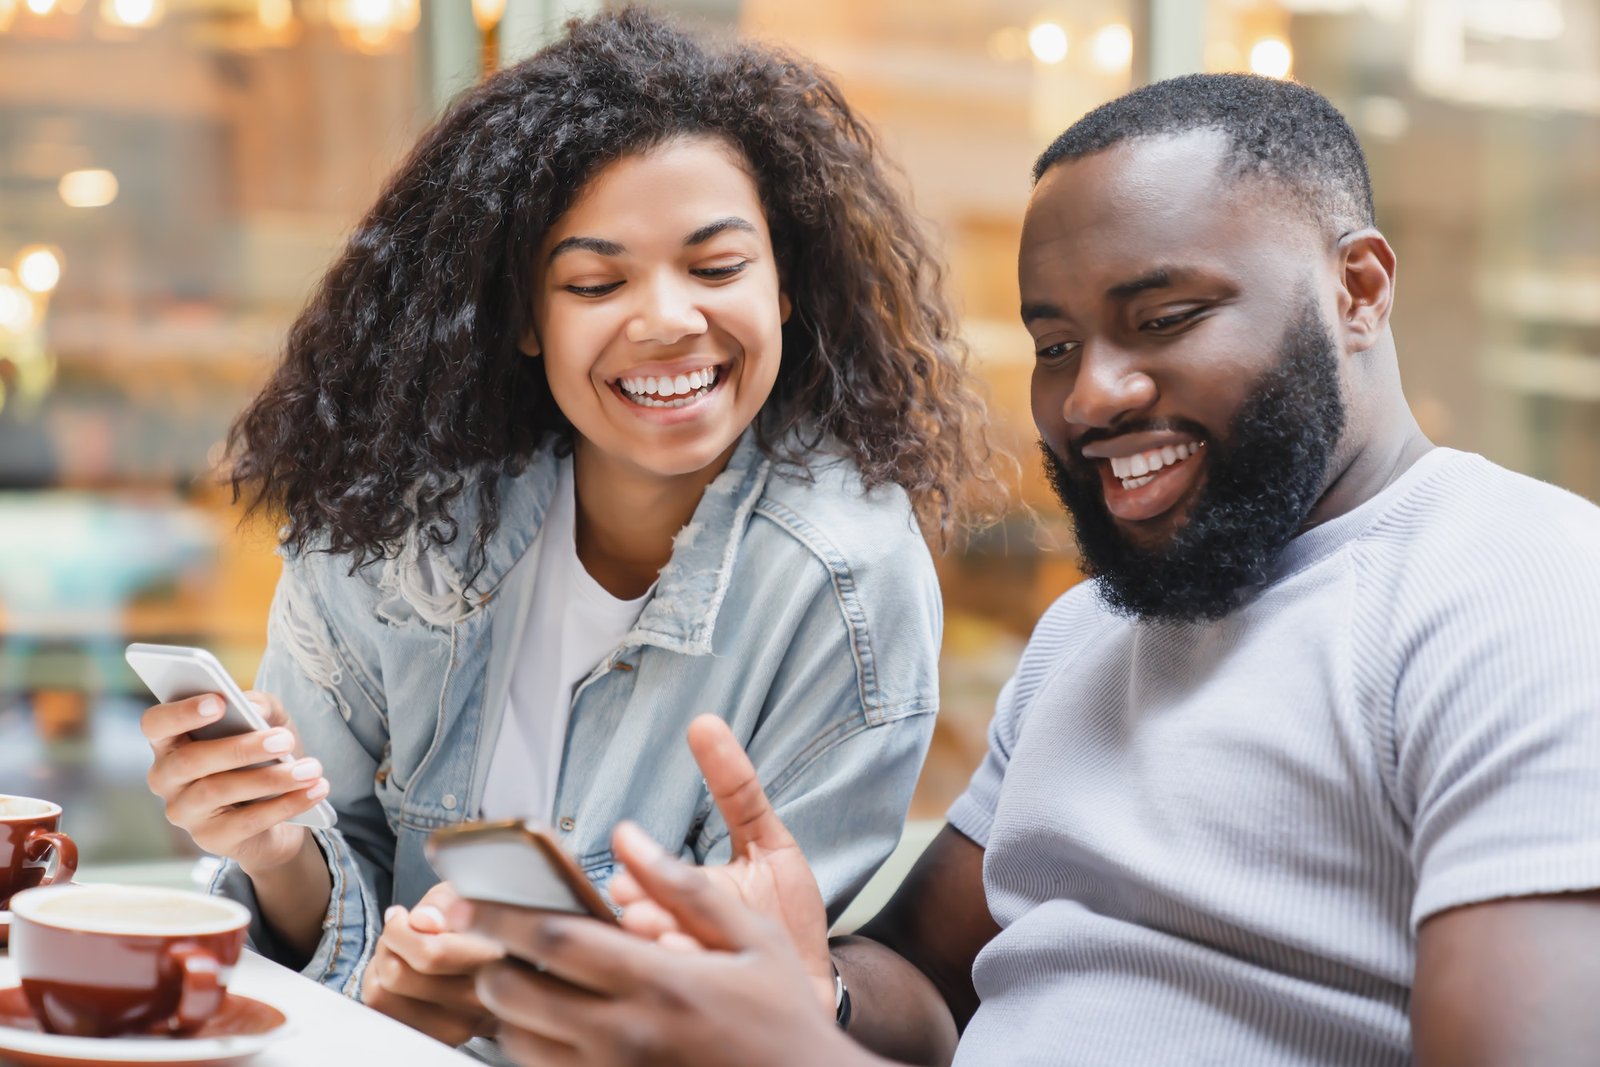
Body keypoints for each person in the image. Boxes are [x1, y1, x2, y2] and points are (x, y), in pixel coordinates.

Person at [452, 73, 1600, 1066]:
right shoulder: (1095, 630)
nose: (1090, 395)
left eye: (1165, 315)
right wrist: (817, 984)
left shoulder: (1518, 589)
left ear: (1356, 289)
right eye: (1055, 346)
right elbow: (923, 981)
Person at [137, 7, 1003, 1052]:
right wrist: (277, 849)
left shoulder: (843, 579)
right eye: (596, 282)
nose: (669, 318)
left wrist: (512, 1004)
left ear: (787, 285)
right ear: (521, 316)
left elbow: (764, 1008)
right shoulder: (396, 522)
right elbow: (328, 924)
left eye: (718, 266)